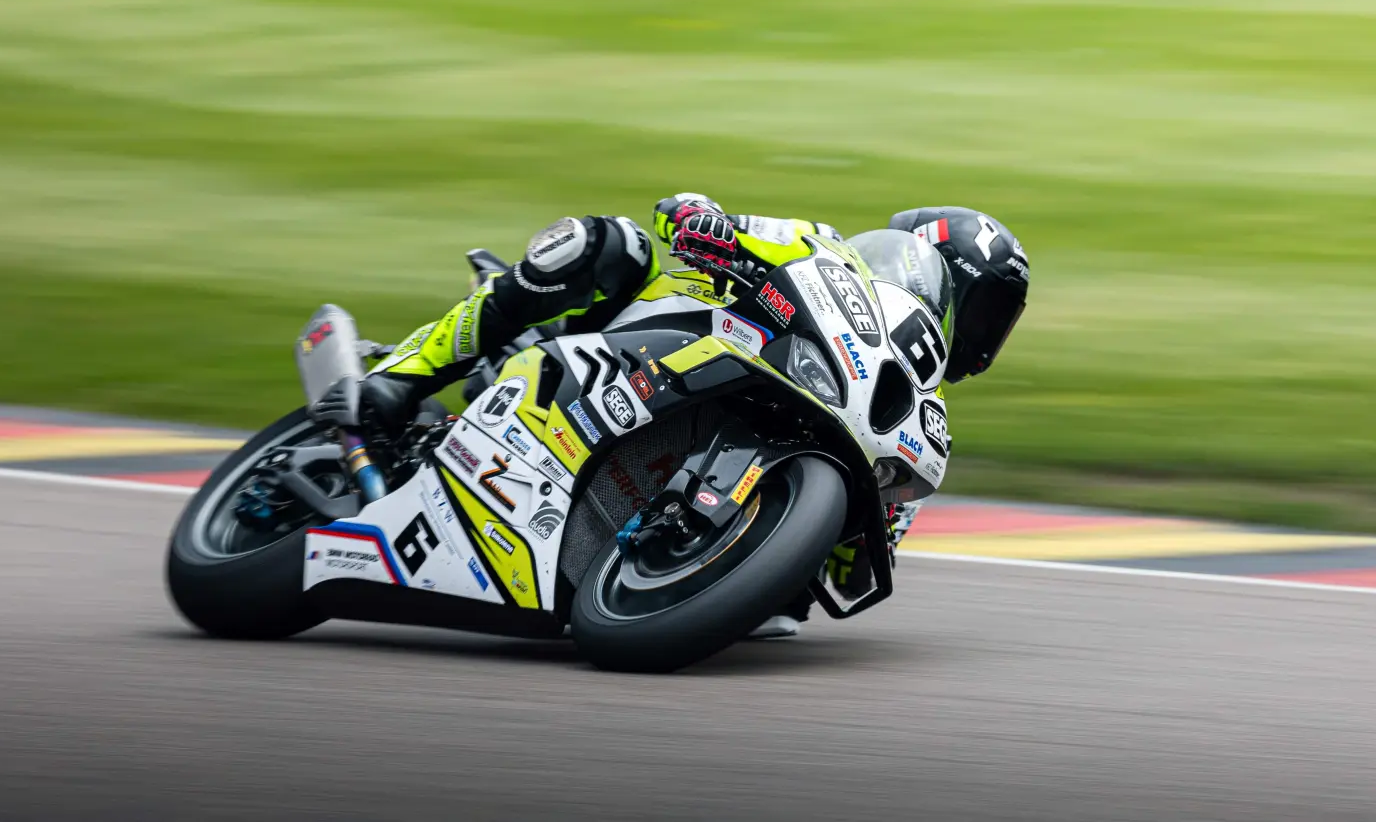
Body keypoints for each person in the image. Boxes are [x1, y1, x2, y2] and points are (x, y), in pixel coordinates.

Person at [320, 194, 1030, 635]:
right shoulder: (820, 250)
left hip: (728, 464)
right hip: (641, 338)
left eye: (998, 319)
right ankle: (401, 376)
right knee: (605, 241)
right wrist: (706, 223)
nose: (983, 330)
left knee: (777, 621)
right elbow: (684, 212)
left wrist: (827, 539)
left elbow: (854, 570)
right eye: (983, 307)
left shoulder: (915, 420)